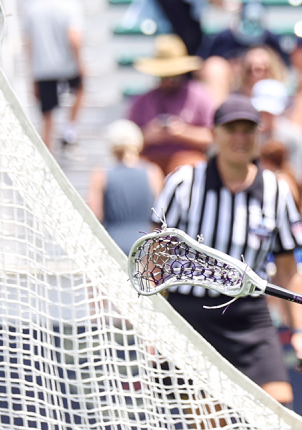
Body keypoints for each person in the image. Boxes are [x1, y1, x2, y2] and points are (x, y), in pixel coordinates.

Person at [150, 95, 302, 430]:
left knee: (277, 420)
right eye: (231, 128)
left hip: (248, 315)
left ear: (258, 136)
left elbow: (288, 268)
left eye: (249, 129)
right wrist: (154, 328)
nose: (240, 137)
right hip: (191, 313)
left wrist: (299, 333)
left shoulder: (277, 190)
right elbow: (156, 260)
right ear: (215, 134)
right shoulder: (184, 184)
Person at [127, 35, 216, 175]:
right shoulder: (141, 101)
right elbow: (126, 142)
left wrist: (183, 132)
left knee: (187, 169)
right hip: (151, 162)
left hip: (187, 159)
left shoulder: (199, 95)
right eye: (163, 76)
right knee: (140, 171)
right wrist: (147, 136)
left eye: (172, 76)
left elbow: (213, 137)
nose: (167, 81)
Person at [87, 120, 166, 253]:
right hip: (146, 247)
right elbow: (162, 214)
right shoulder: (153, 172)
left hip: (113, 246)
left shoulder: (101, 174)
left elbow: (95, 215)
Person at [21, 0, 85, 150]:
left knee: (47, 119)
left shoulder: (31, 8)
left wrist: (32, 74)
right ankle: (69, 131)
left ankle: (48, 161)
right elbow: (74, 38)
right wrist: (80, 65)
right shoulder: (70, 6)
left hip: (42, 70)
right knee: (80, 90)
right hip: (67, 67)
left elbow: (28, 42)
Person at [197, 1, 289, 104]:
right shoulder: (224, 38)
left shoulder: (271, 39)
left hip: (263, 89)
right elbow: (201, 65)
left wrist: (253, 65)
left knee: (259, 60)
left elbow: (283, 69)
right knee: (214, 67)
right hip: (231, 86)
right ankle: (218, 115)